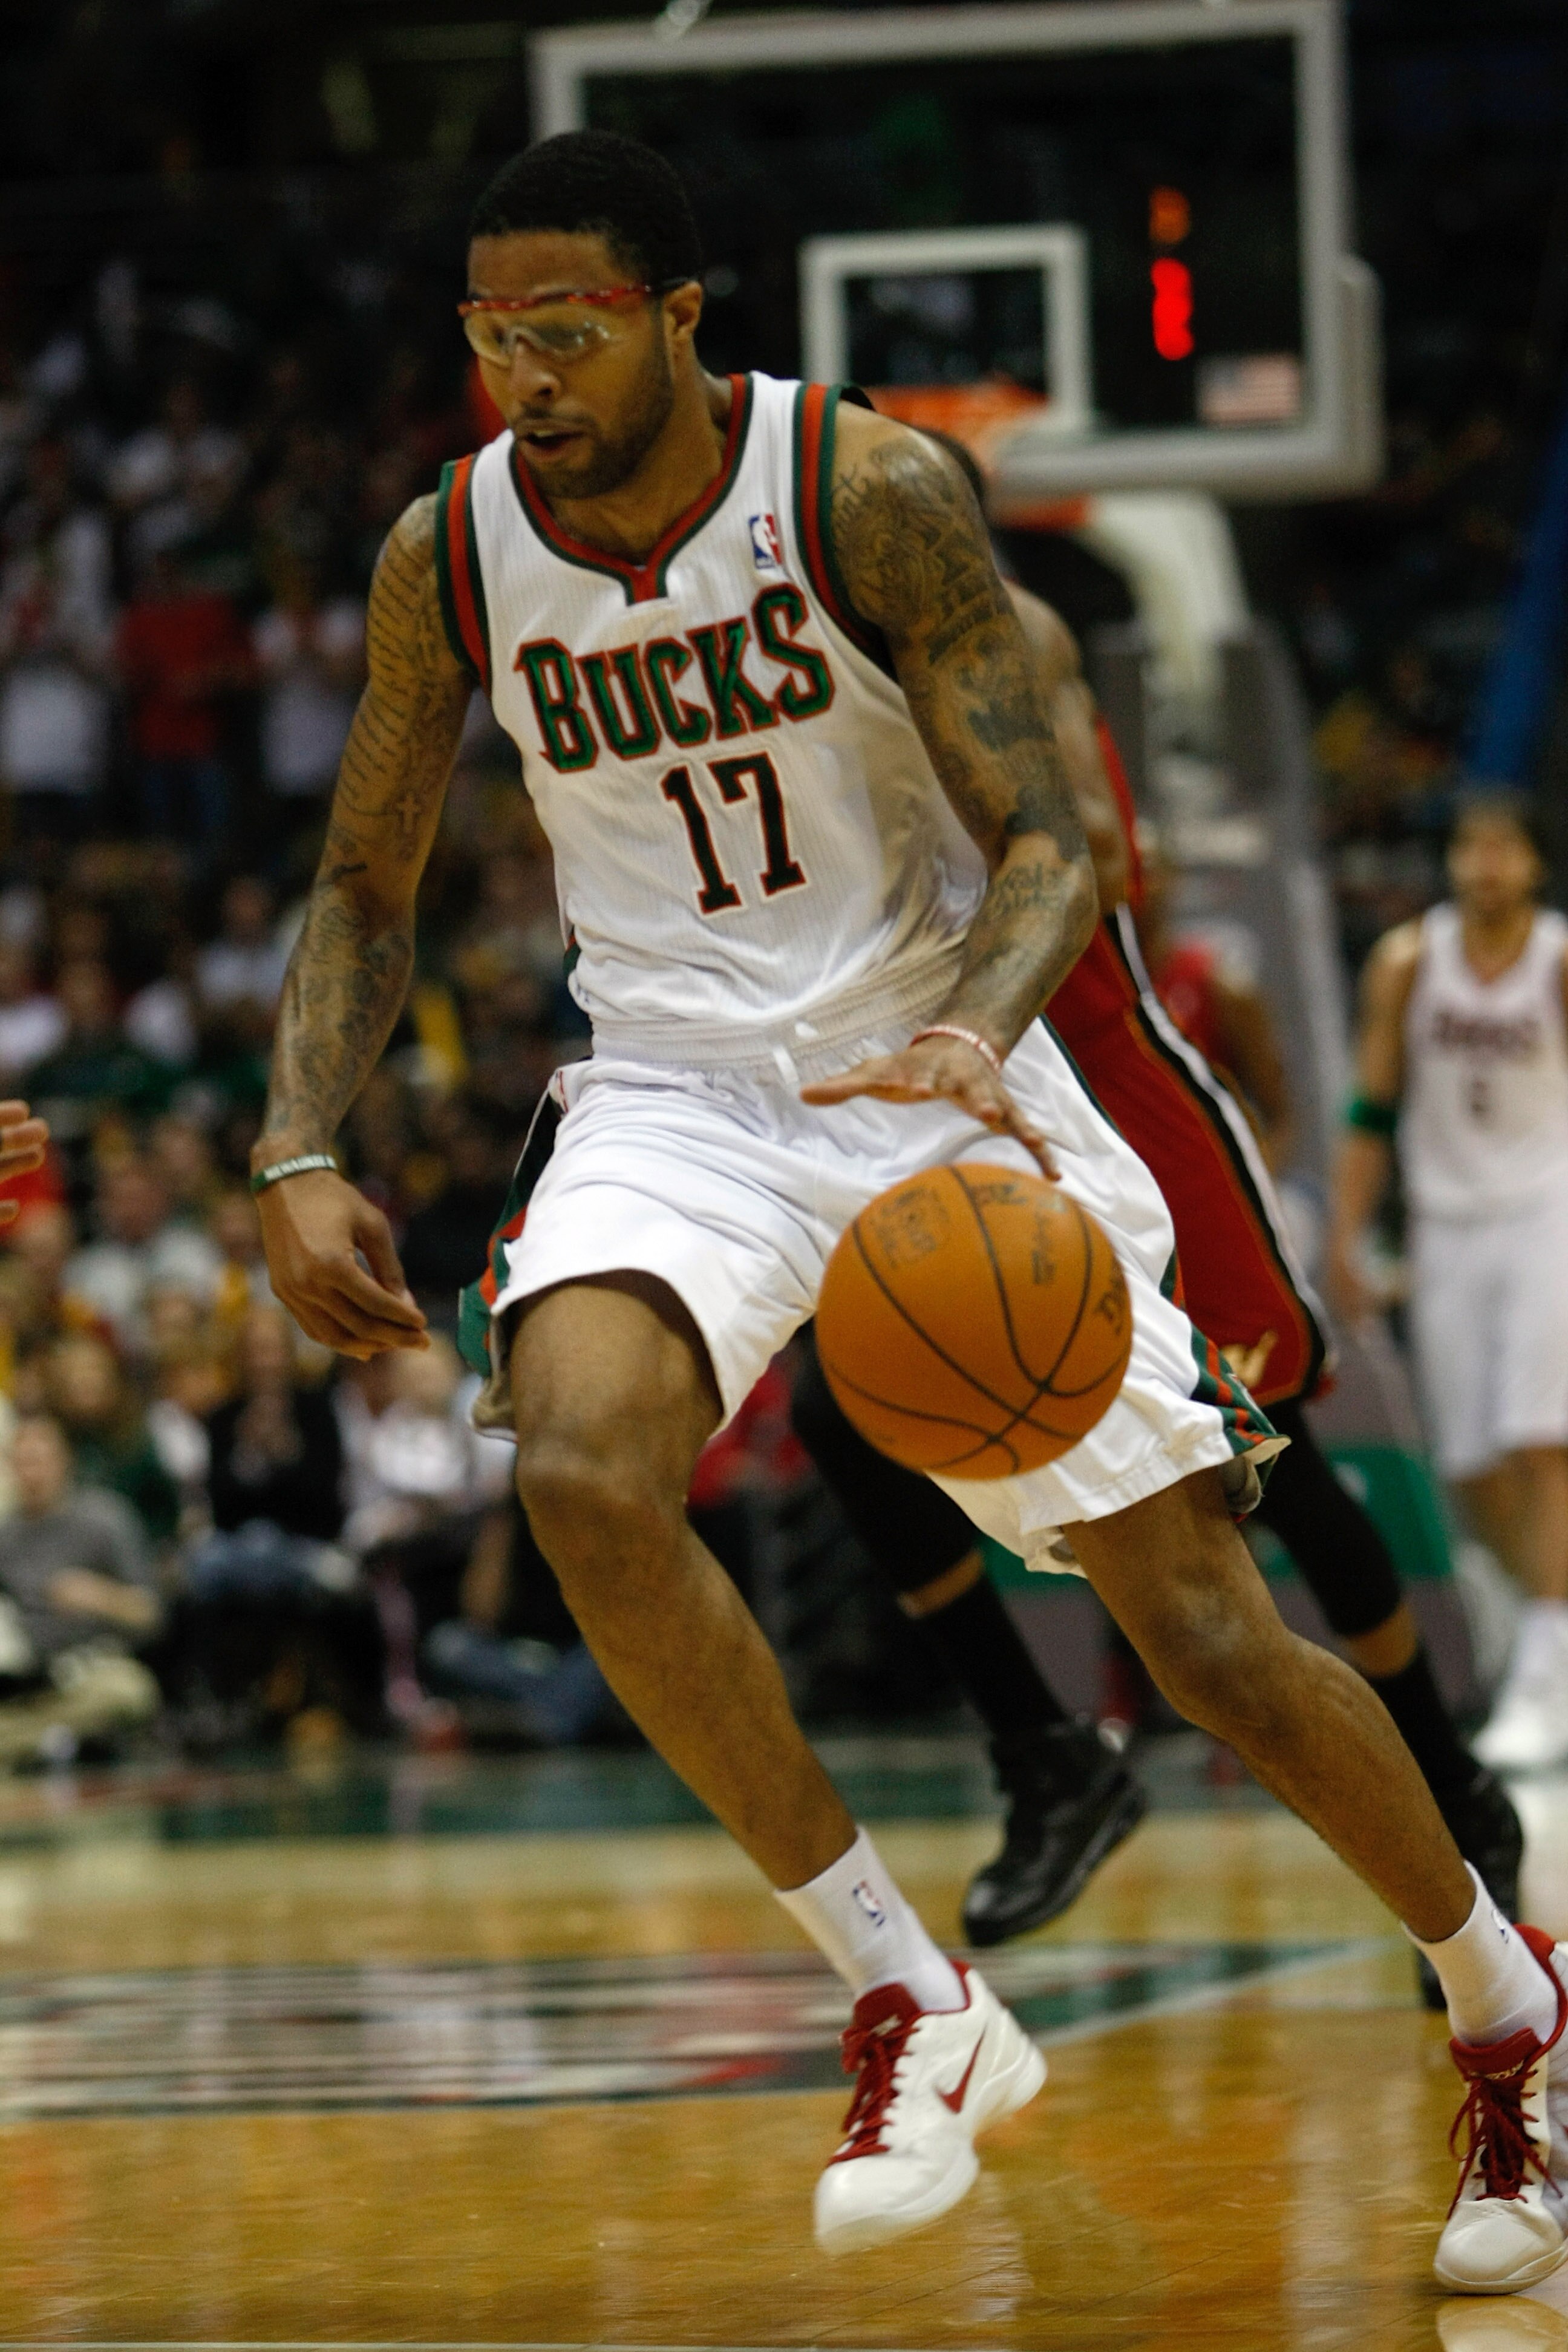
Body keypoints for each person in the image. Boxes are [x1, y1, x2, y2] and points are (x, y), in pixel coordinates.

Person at [249, 132, 1560, 2287]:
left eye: (564, 331)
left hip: (926, 1056)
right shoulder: (452, 558)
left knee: (1202, 1632)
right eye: (491, 338)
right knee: (579, 1464)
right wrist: (301, 1144)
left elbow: (1047, 836)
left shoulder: (860, 492)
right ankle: (906, 1997)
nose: (524, 377)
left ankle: (1509, 2008)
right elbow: (361, 884)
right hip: (675, 1088)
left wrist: (972, 1026)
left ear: (679, 316)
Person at [776, 452, 1515, 1975]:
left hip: (1108, 1078)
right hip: (959, 1105)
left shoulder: (1018, 641)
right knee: (847, 1410)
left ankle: (1454, 1785)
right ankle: (1045, 1754)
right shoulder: (816, 669)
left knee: (1276, 1451)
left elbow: (1092, 860)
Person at [1329, 797, 1568, 1778]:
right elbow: (1370, 1099)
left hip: (1547, 1211)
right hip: (1443, 1220)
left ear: (1534, 867)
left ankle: (1544, 1676)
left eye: (1503, 846)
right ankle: (1538, 1629)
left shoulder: (1556, 960)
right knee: (1468, 1459)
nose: (1485, 863)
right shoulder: (1405, 961)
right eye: (1470, 844)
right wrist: (1346, 1232)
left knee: (1538, 1439)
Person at [0, 1411, 163, 1768]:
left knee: (130, 1691)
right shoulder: (6, 1536)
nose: (32, 1473)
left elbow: (152, 1614)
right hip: (29, 1680)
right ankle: (54, 1741)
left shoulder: (105, 1518)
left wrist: (100, 1596)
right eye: (23, 1462)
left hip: (95, 1670)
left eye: (40, 1460)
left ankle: (38, 1742)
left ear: (64, 1460)